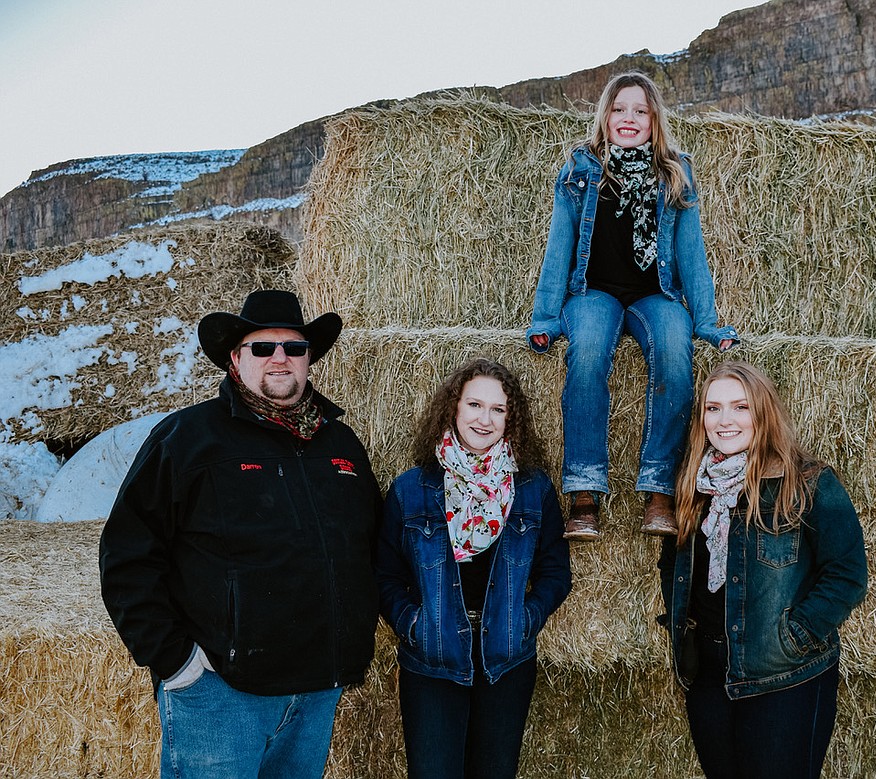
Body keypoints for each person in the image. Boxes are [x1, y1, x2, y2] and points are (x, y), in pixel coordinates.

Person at [99, 289, 381, 779]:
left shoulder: (340, 444)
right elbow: (127, 556)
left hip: (315, 694)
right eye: (262, 347)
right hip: (221, 697)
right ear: (235, 357)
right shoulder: (188, 438)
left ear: (308, 358)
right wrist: (177, 664)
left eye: (294, 348)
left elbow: (371, 546)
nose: (280, 358)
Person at [527, 71, 738, 542]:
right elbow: (559, 248)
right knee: (586, 355)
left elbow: (692, 254)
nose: (628, 118)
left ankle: (659, 491)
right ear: (605, 116)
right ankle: (583, 494)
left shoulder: (674, 172)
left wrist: (707, 322)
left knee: (674, 346)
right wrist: (544, 318)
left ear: (653, 119)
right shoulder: (581, 170)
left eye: (640, 110)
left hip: (654, 294)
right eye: (619, 109)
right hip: (592, 292)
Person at [659, 361, 868, 779]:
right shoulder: (693, 486)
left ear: (762, 413)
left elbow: (847, 573)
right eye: (713, 408)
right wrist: (683, 630)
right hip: (710, 677)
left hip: (783, 677)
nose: (725, 420)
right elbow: (674, 566)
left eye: (740, 407)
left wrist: (793, 638)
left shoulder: (807, 483)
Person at [376, 358, 572, 779]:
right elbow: (385, 575)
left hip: (505, 659)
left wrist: (525, 619)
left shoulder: (532, 488)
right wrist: (414, 626)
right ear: (454, 409)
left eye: (498, 409)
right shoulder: (412, 489)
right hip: (432, 660)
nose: (484, 419)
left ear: (510, 417)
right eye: (474, 405)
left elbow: (556, 572)